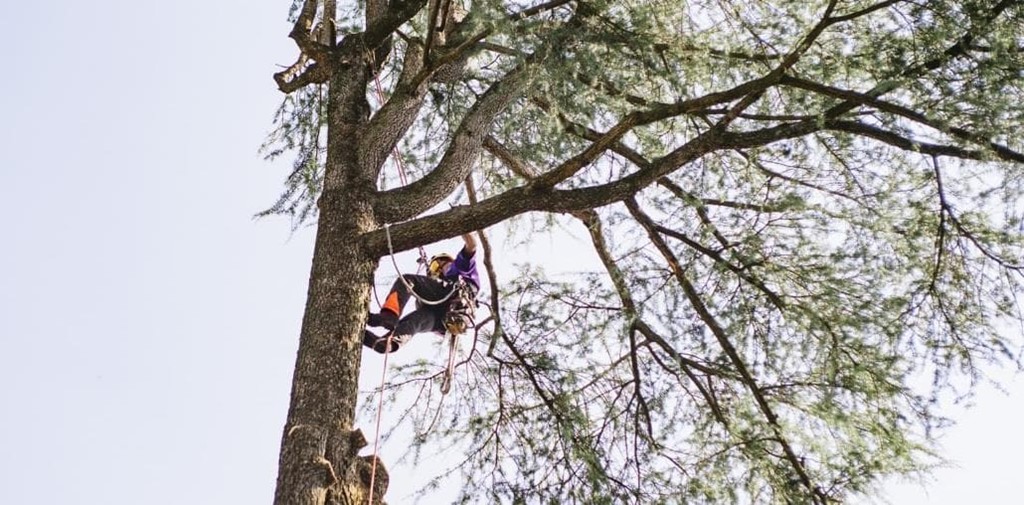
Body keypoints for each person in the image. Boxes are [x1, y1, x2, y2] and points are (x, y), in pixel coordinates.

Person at [364, 233, 480, 354]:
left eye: (438, 264)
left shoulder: (462, 266)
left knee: (407, 281)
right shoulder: (436, 285)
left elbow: (472, 245)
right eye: (434, 268)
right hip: (440, 318)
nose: (438, 270)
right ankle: (388, 344)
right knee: (415, 321)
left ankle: (389, 315)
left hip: (454, 297)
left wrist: (461, 226)